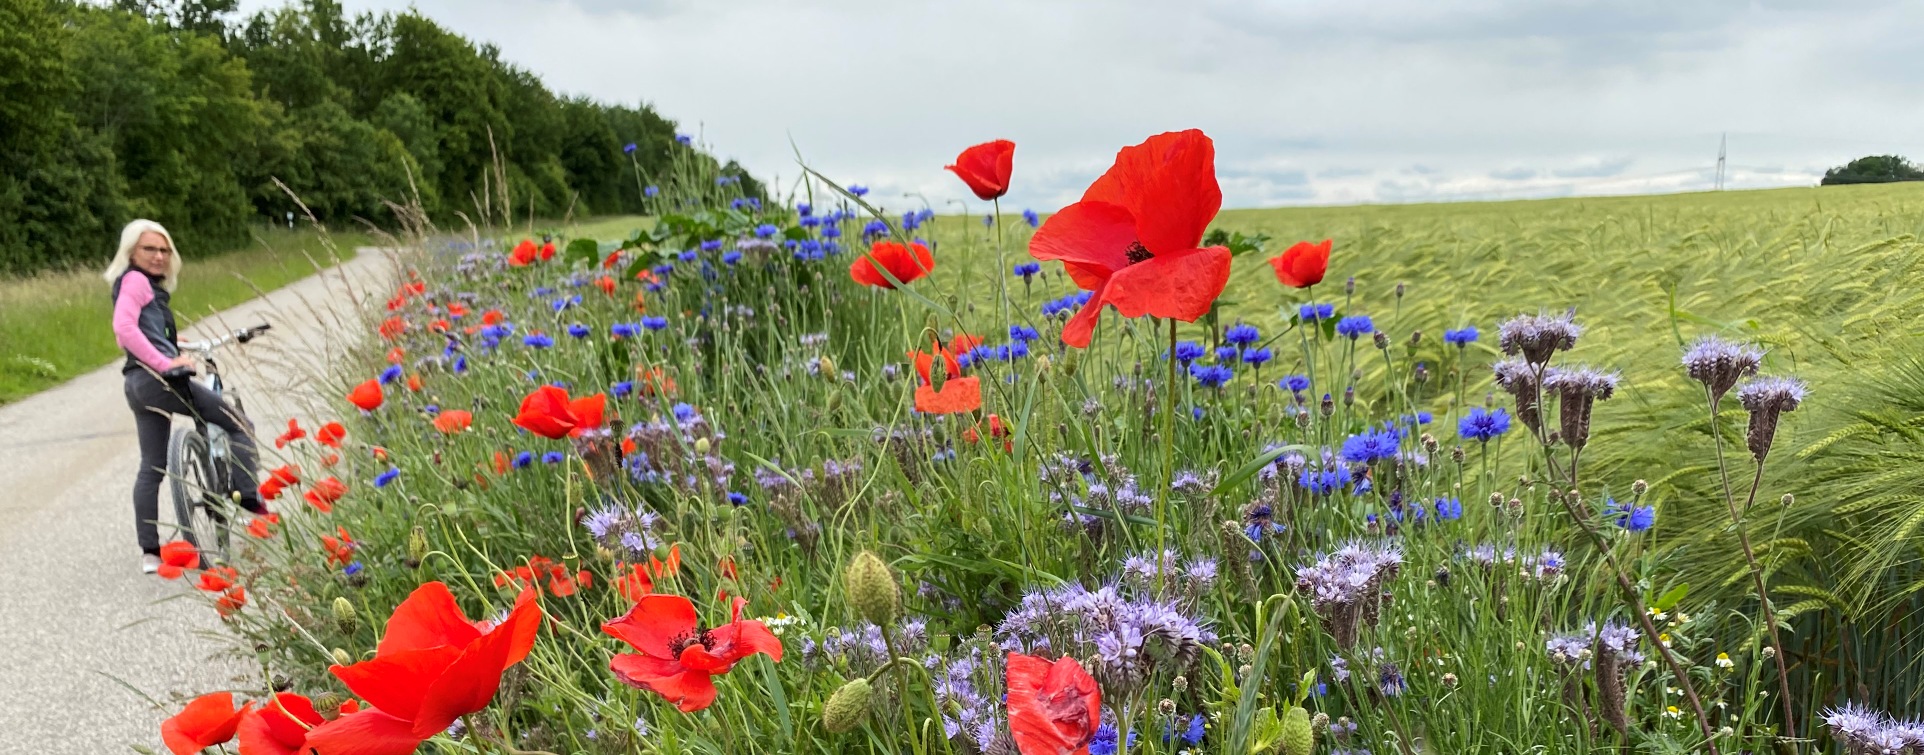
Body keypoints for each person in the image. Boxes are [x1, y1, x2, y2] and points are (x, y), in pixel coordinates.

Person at [105, 219, 267, 574]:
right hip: (159, 380)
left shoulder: (138, 286)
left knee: (152, 465)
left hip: (136, 383)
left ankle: (150, 552)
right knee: (238, 423)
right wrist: (166, 363)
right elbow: (124, 329)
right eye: (150, 249)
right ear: (131, 251)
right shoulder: (135, 280)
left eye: (164, 250)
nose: (159, 256)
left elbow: (142, 334)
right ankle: (251, 500)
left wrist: (179, 347)